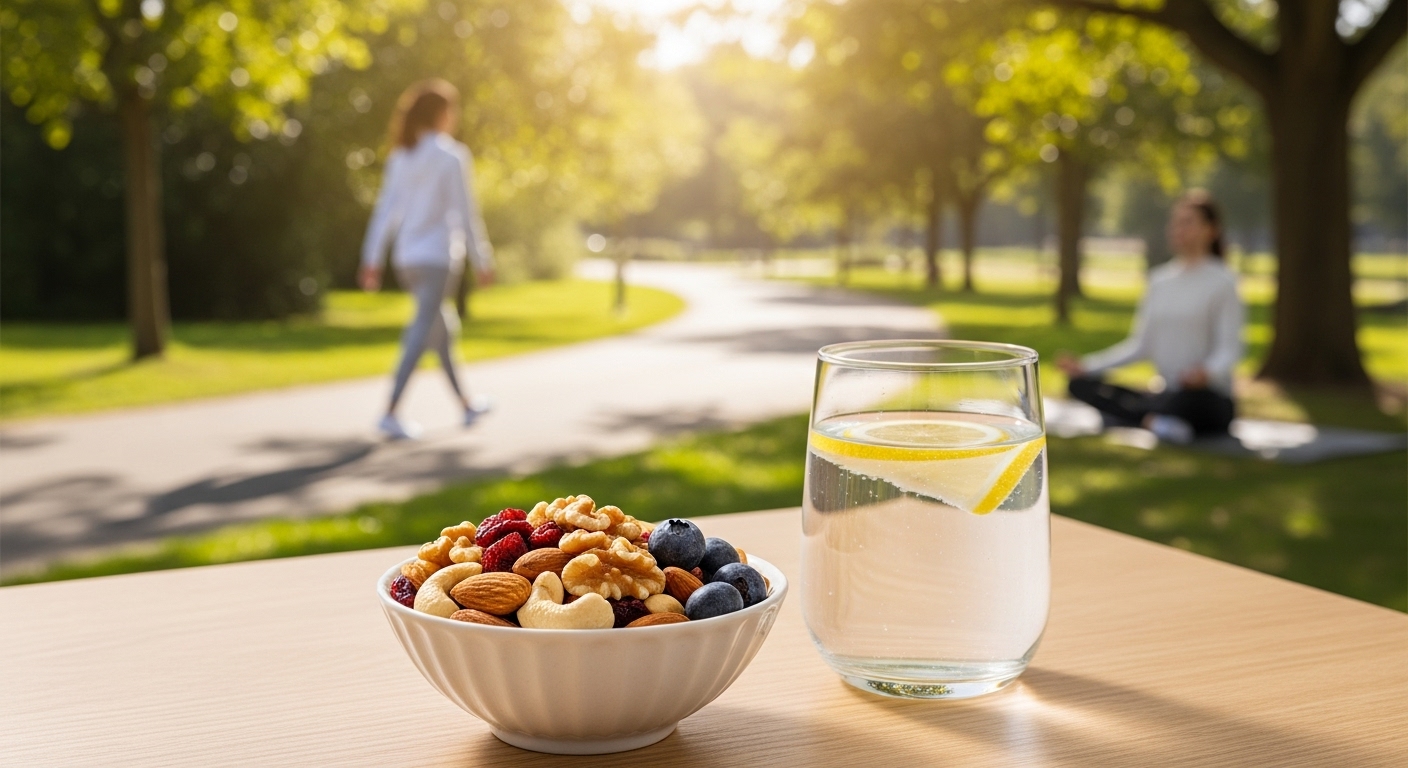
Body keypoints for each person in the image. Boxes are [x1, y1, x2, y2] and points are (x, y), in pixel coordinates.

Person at [360, 79, 495, 440]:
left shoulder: (402, 156)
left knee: (441, 329)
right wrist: (483, 258)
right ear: (441, 114)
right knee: (423, 330)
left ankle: (466, 404)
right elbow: (466, 214)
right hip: (436, 259)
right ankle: (390, 411)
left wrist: (371, 258)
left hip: (406, 259)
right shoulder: (452, 156)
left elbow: (385, 211)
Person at [1056, 190, 1244, 444]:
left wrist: (1205, 373)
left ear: (1211, 230)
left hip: (1204, 397)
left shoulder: (1223, 282)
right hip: (1165, 393)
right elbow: (1139, 346)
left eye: (1188, 222)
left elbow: (1229, 350)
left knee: (1185, 403)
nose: (1178, 229)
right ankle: (1153, 420)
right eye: (1176, 222)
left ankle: (1135, 416)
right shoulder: (1159, 281)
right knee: (1079, 385)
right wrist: (1086, 366)